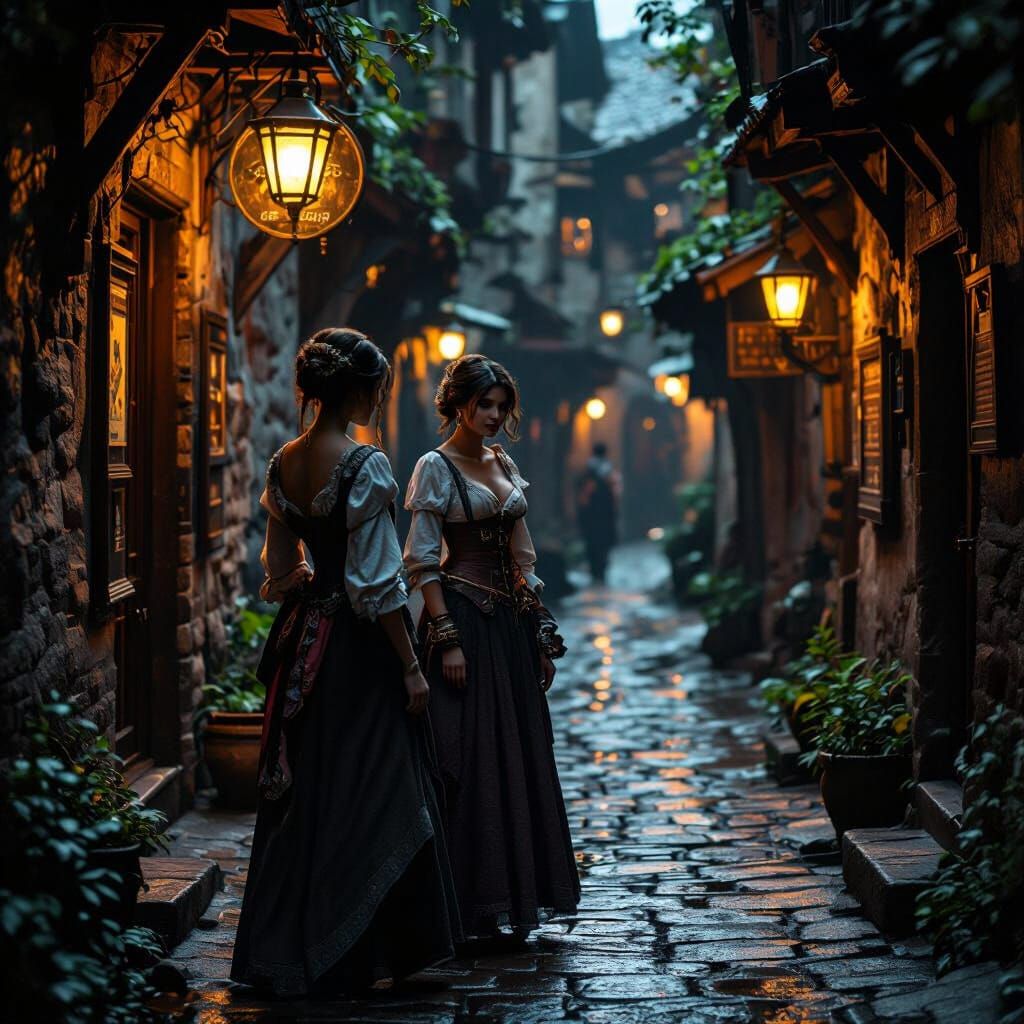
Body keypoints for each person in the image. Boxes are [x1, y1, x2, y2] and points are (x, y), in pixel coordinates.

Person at [231, 328, 460, 996]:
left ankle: (289, 944)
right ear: (355, 390)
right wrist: (410, 665)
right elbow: (378, 584)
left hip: (304, 641)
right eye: (375, 388)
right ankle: (358, 949)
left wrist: (311, 593)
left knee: (309, 788)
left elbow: (279, 570)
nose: (378, 399)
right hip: (358, 654)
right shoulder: (366, 466)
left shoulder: (284, 463)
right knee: (376, 787)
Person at [402, 353, 580, 944]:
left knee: (518, 756)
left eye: (502, 406)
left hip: (508, 630)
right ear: (457, 404)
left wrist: (540, 630)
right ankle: (467, 906)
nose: (495, 416)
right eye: (484, 404)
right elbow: (423, 563)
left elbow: (521, 558)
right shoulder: (435, 467)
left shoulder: (503, 462)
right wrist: (446, 638)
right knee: (469, 760)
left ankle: (513, 893)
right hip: (465, 626)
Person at [576, 441, 620, 584]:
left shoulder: (588, 470)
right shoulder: (609, 471)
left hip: (591, 513)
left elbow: (583, 494)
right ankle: (600, 570)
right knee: (604, 542)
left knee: (592, 542)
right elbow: (615, 493)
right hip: (605, 513)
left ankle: (596, 570)